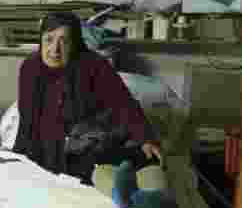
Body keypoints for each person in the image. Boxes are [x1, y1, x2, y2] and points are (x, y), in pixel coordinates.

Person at [12, 11, 162, 183]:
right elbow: (27, 120)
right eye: (48, 40)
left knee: (145, 161)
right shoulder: (31, 67)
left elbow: (123, 104)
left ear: (75, 43)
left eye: (64, 41)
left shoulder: (94, 66)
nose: (55, 49)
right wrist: (18, 157)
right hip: (47, 150)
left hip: (89, 145)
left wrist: (145, 137)